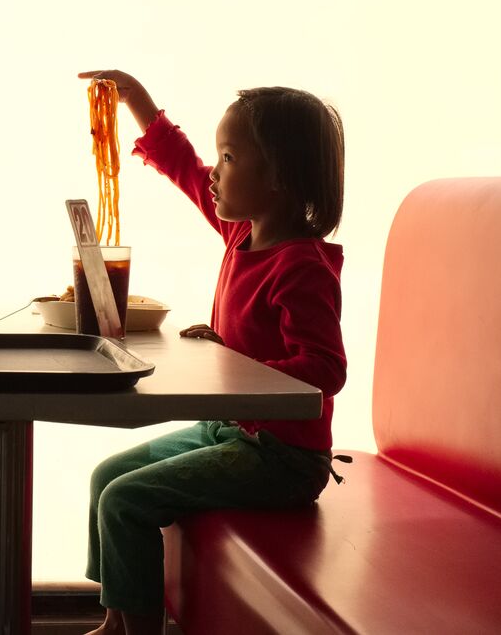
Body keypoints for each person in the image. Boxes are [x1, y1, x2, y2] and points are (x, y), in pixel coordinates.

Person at [75, 70, 348, 635]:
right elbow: (184, 168)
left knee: (126, 501)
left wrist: (235, 365)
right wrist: (137, 102)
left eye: (227, 158)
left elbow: (326, 369)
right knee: (108, 476)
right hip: (229, 431)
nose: (213, 173)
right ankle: (115, 620)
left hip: (283, 459)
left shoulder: (301, 266)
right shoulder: (240, 235)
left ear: (276, 178)